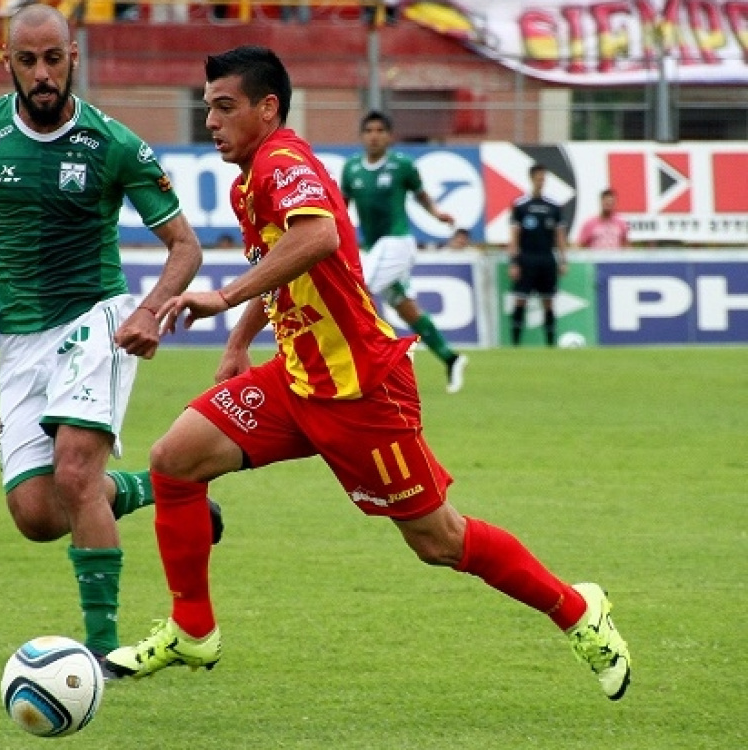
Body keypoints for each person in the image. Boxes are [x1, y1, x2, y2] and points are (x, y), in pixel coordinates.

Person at [105, 46, 632, 704]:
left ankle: (578, 612)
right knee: (175, 459)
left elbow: (318, 238)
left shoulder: (281, 162)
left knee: (440, 542)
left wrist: (224, 298)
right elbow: (284, 262)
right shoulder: (251, 180)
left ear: (267, 108)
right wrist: (240, 342)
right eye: (207, 106)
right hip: (296, 379)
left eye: (225, 106)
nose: (211, 120)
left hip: (361, 391)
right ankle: (192, 630)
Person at [0, 4, 222, 677]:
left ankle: (100, 653)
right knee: (38, 515)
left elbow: (185, 246)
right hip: (21, 338)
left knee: (74, 474)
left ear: (73, 56)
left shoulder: (113, 144)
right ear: (7, 62)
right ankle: (158, 487)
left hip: (95, 320)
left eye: (53, 59)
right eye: (27, 61)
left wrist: (148, 311)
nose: (42, 74)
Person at [341, 110, 467, 394]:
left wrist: (437, 214)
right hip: (374, 249)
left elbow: (421, 195)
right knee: (405, 308)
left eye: (380, 131)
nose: (374, 136)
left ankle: (375, 362)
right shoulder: (352, 169)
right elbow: (342, 208)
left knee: (357, 292)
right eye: (369, 131)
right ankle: (450, 357)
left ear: (389, 136)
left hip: (397, 244)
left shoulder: (402, 166)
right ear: (361, 136)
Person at [508, 163, 568, 346]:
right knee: (520, 300)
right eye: (538, 178)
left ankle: (550, 345)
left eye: (543, 179)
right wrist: (514, 262)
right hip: (526, 258)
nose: (541, 182)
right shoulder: (521, 205)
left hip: (547, 258)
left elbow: (559, 236)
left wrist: (563, 260)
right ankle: (515, 345)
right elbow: (514, 236)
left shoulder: (553, 206)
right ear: (531, 179)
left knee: (548, 301)